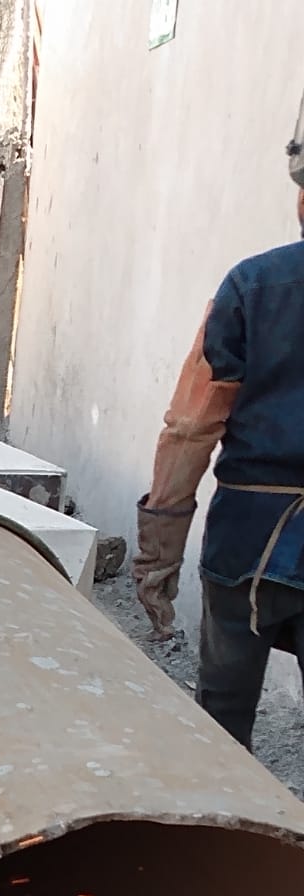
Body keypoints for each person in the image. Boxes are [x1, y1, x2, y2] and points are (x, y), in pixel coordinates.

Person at [134, 107, 304, 749]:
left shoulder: (253, 286)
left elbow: (190, 427)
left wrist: (158, 558)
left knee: (223, 723)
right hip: (254, 536)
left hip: (248, 543)